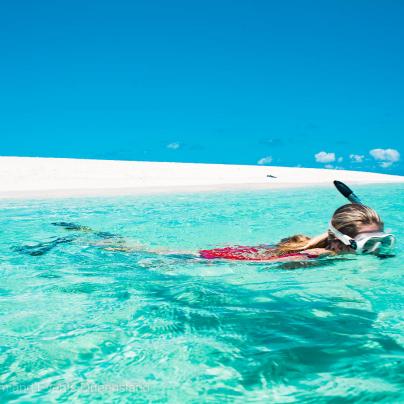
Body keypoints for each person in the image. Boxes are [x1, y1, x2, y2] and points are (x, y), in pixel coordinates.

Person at [198, 204, 395, 262]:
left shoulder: (338, 243)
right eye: (367, 243)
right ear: (337, 240)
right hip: (235, 255)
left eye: (382, 240)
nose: (377, 249)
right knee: (184, 256)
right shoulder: (314, 255)